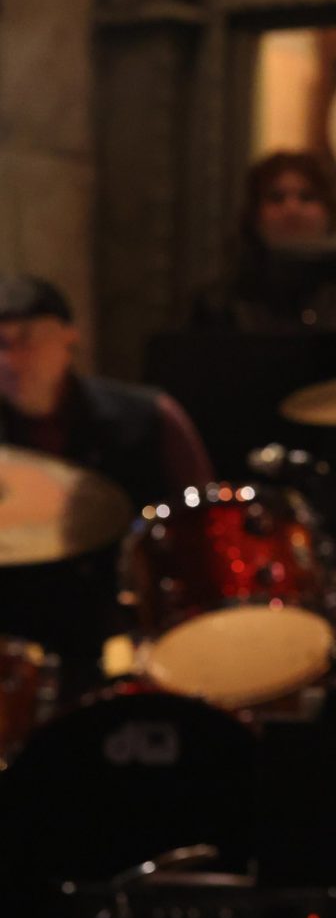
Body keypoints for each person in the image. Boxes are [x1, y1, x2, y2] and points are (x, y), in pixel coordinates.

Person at [0, 274, 212, 692]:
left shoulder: (150, 418)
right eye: (0, 346)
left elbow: (200, 527)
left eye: (26, 340)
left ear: (69, 337)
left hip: (122, 633)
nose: (11, 360)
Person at [189, 150, 336, 332]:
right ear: (254, 214)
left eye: (307, 197)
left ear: (329, 211)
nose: (292, 209)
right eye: (276, 198)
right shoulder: (219, 304)